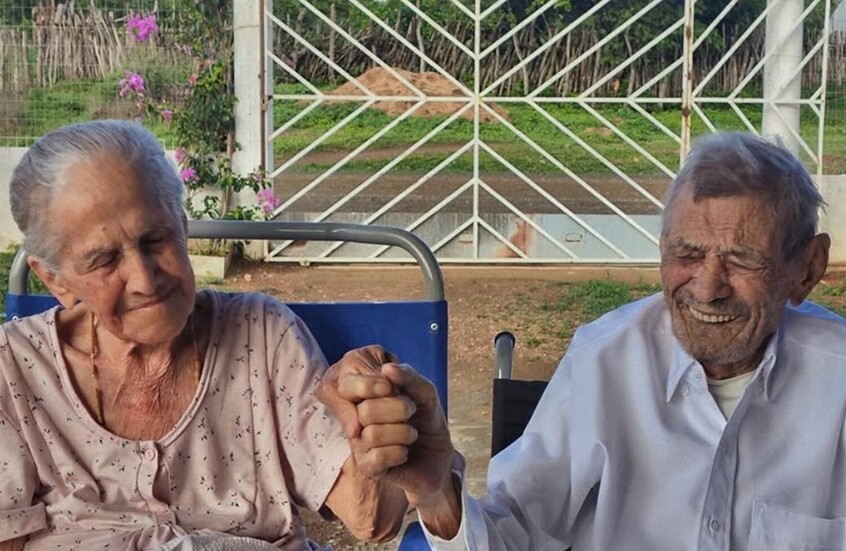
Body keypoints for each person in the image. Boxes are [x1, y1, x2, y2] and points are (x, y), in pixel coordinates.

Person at [318, 132, 846, 550]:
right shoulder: (606, 359)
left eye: (742, 260)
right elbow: (515, 535)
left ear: (807, 269)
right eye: (686, 254)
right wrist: (436, 493)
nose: (707, 288)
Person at [0, 120, 408, 551]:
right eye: (104, 261)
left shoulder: (261, 333)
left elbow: (371, 518)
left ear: (182, 225)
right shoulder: (13, 369)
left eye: (156, 239)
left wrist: (371, 425)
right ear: (55, 280)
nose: (144, 280)